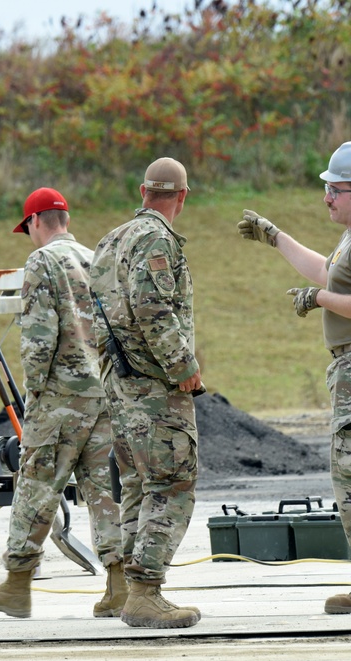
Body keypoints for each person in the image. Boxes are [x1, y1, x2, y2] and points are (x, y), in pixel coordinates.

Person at [235, 140, 351, 614]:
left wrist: (317, 300)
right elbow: (329, 273)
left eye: (334, 189)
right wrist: (275, 238)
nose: (327, 197)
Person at [0, 187, 124, 619]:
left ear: (35, 222)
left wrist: (33, 394)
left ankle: (17, 585)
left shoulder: (42, 261)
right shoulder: (96, 260)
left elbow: (39, 336)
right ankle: (119, 585)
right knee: (104, 492)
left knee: (36, 487)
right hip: (103, 395)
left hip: (60, 398)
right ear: (66, 219)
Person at [88, 158, 204, 629]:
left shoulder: (108, 241)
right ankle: (146, 590)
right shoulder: (158, 239)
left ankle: (131, 590)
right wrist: (184, 367)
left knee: (137, 483)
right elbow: (152, 308)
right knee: (173, 484)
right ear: (183, 196)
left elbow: (96, 315)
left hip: (119, 384)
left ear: (142, 191)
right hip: (155, 387)